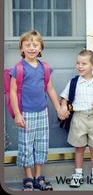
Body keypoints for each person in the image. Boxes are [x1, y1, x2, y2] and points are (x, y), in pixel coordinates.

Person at [10, 30, 68, 191]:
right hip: (26, 113)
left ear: (41, 48)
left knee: (41, 144)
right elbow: (13, 92)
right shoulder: (19, 68)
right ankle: (28, 177)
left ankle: (38, 176)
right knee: (26, 146)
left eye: (35, 45)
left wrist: (58, 108)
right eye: (27, 45)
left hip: (42, 112)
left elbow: (49, 88)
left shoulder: (44, 67)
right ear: (21, 48)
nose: (31, 48)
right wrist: (17, 114)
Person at [60, 50, 93, 188]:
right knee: (79, 147)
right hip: (79, 118)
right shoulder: (74, 82)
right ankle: (78, 174)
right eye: (78, 63)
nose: (80, 66)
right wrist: (64, 106)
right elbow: (64, 97)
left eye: (84, 63)